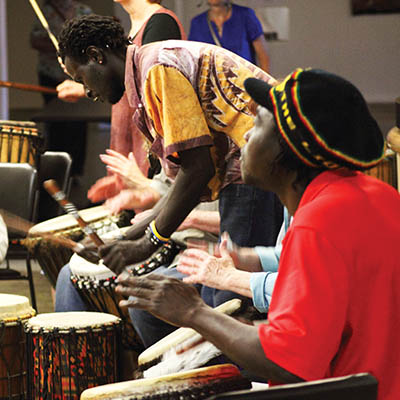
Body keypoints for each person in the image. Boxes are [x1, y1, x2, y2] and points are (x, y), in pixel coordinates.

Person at [114, 67, 400, 400]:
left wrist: (193, 312)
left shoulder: (318, 222)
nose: (246, 135)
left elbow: (288, 363)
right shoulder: (379, 196)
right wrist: (246, 261)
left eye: (259, 124)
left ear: (289, 149)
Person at [57, 14, 283, 315]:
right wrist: (124, 238)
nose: (86, 91)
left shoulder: (157, 68)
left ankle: (250, 363)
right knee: (223, 300)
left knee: (231, 303)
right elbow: (188, 176)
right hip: (249, 167)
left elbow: (197, 170)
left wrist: (148, 242)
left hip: (258, 165)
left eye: (81, 78)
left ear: (96, 56)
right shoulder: (147, 68)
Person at [30, 0, 93, 179]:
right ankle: (55, 170)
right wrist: (58, 46)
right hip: (50, 73)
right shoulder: (46, 11)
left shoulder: (84, 11)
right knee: (55, 122)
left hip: (78, 75)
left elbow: (93, 41)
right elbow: (34, 40)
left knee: (79, 122)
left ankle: (76, 170)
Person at [189, 0, 269, 72]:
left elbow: (263, 56)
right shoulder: (197, 23)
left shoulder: (245, 15)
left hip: (244, 81)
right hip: (211, 84)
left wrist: (265, 86)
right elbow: (193, 60)